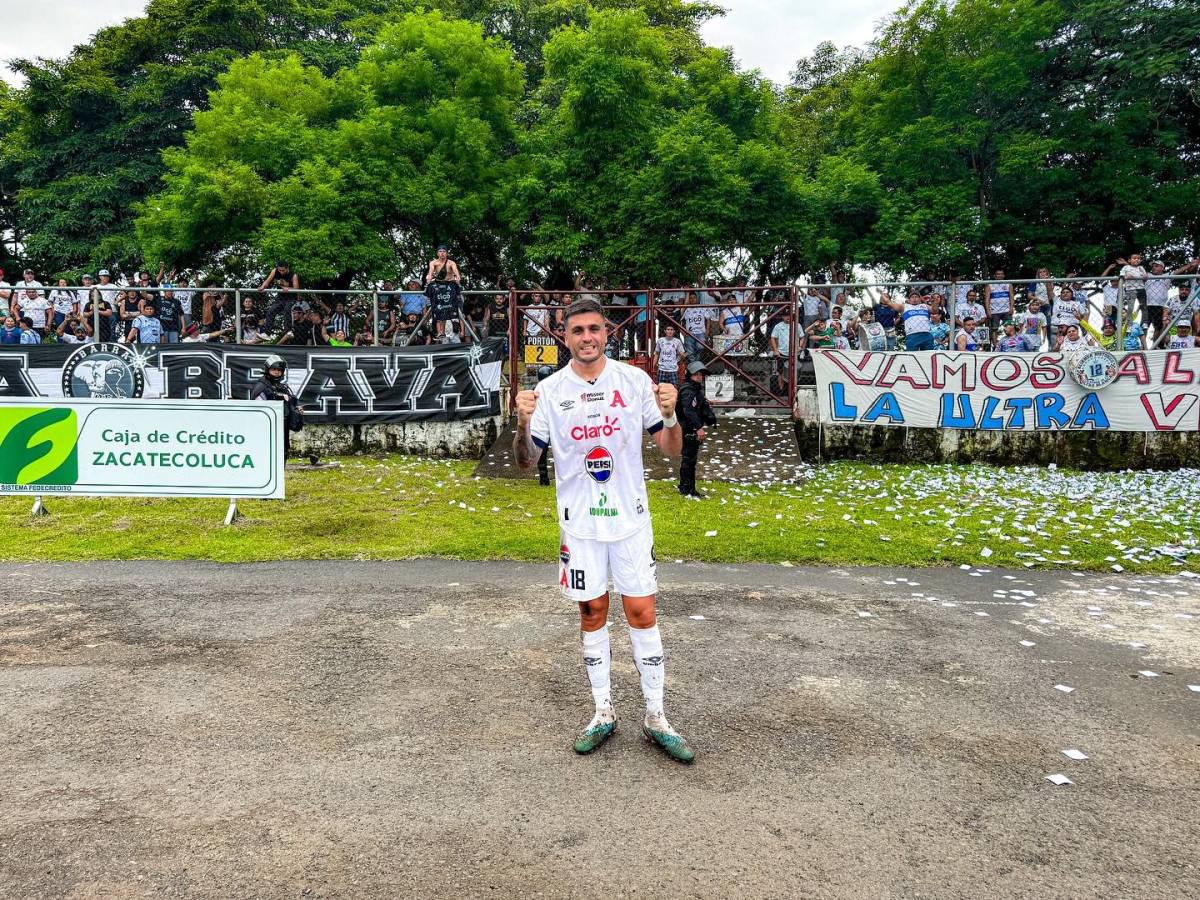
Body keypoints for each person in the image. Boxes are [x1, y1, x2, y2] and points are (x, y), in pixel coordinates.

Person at [512, 297, 692, 762]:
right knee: (592, 612)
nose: (587, 337)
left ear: (606, 332)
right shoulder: (550, 390)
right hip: (580, 525)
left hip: (630, 520)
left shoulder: (633, 381)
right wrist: (523, 421)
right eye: (578, 331)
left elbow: (670, 451)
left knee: (641, 612)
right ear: (565, 337)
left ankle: (656, 717)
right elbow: (525, 459)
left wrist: (671, 415)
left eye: (594, 329)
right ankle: (603, 711)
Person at [250, 354, 314, 463]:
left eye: (279, 370)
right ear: (267, 369)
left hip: (282, 427)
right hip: (267, 430)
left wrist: (297, 409)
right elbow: (257, 410)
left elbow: (290, 402)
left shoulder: (281, 386)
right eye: (274, 369)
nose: (277, 372)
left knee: (283, 453)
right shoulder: (262, 386)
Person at [677, 359, 717, 500]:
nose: (700, 377)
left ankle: (687, 487)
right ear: (690, 375)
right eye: (697, 374)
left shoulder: (695, 389)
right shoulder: (688, 390)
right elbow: (688, 411)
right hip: (687, 428)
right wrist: (698, 428)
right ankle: (687, 488)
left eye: (701, 375)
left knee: (690, 459)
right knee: (689, 459)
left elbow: (697, 407)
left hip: (689, 427)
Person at [260, 262, 300, 333]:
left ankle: (288, 331)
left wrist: (288, 289)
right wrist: (262, 286)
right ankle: (267, 333)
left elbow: (296, 289)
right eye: (280, 270)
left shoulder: (293, 275)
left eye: (283, 270)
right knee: (271, 311)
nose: (281, 272)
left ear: (287, 268)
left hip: (291, 298)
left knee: (287, 309)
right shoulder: (274, 271)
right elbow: (267, 281)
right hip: (281, 297)